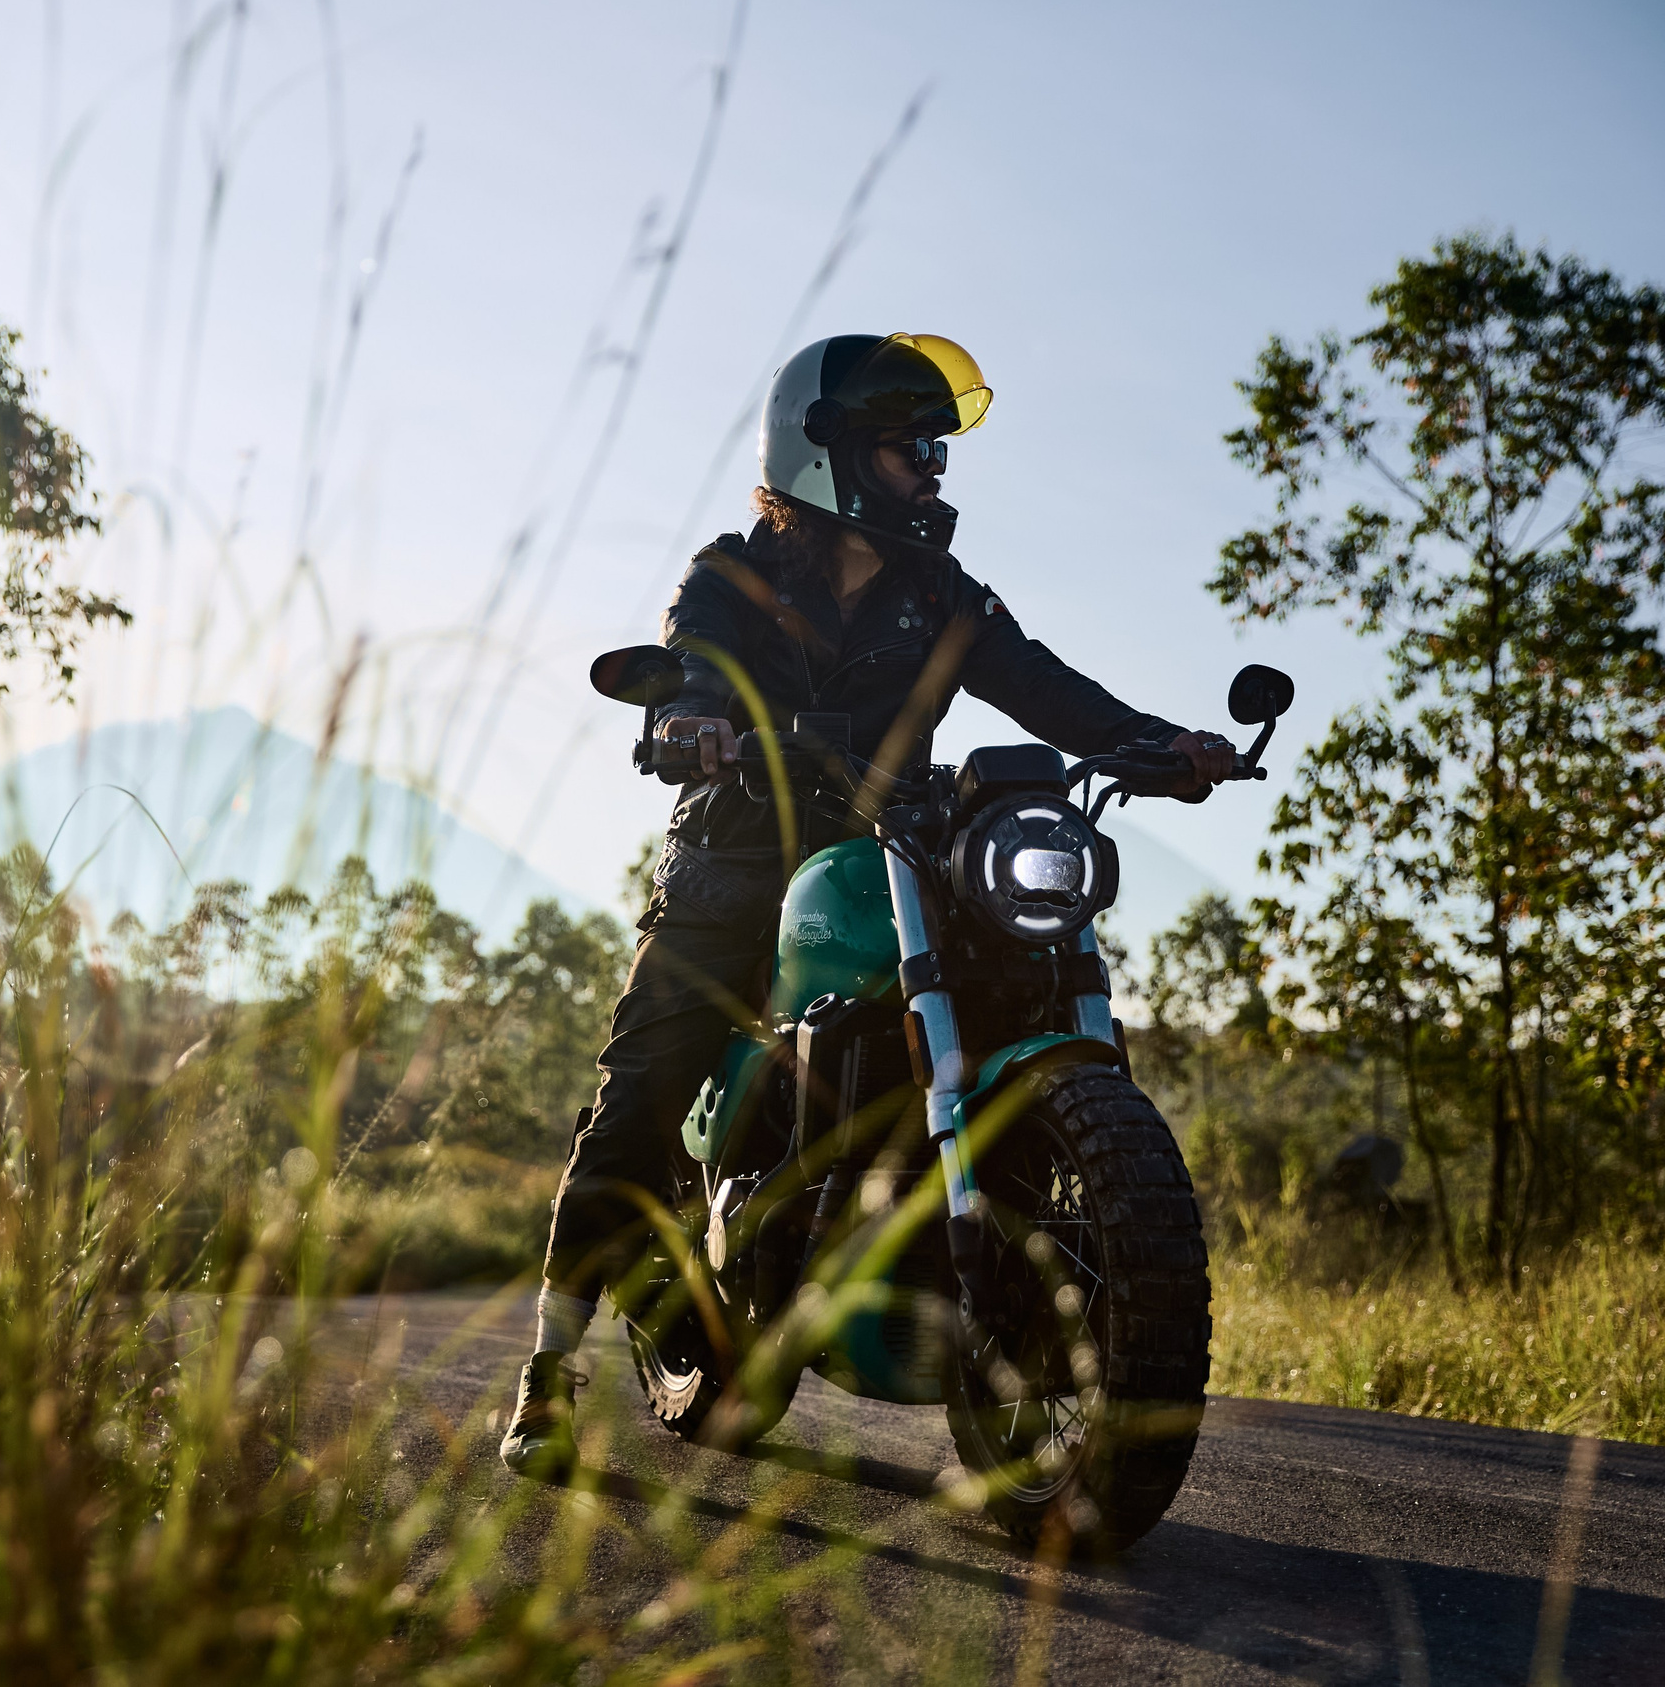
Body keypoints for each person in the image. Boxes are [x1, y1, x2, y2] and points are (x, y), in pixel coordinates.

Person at [500, 332, 1239, 1477]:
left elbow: (1048, 688)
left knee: (1019, 969)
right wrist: (690, 724)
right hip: (735, 865)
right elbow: (691, 665)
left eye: (935, 449)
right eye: (908, 447)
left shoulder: (938, 596)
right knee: (639, 1094)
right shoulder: (730, 575)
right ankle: (547, 1375)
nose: (931, 470)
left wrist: (1160, 742)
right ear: (825, 451)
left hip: (890, 852)